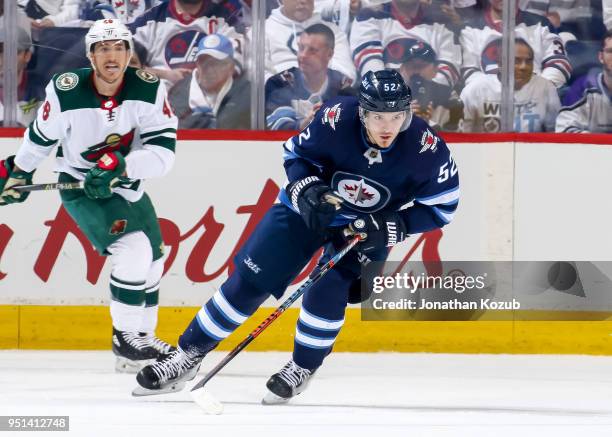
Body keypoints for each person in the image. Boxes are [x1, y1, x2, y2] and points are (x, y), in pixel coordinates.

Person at [134, 69, 460, 403]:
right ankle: (188, 355)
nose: (387, 126)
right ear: (362, 111)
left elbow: (442, 208)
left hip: (365, 230)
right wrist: (307, 188)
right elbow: (297, 156)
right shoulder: (336, 118)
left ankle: (302, 367)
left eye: (395, 116)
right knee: (250, 282)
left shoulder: (426, 149)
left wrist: (393, 226)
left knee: (327, 289)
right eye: (377, 116)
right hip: (306, 211)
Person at [0, 19, 179, 372]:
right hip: (81, 187)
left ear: (129, 54)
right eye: (102, 49)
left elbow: (163, 156)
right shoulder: (66, 90)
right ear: (90, 55)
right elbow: (40, 139)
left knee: (155, 259)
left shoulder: (150, 90)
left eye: (118, 48)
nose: (111, 56)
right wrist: (19, 172)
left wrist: (122, 167)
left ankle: (140, 338)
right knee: (133, 250)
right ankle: (125, 336)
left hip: (126, 185)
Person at [265, 23, 354, 130]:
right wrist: (304, 124)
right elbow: (277, 126)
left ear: (329, 54)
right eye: (301, 48)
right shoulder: (280, 83)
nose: (303, 55)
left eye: (312, 50)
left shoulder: (343, 87)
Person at [461, 38, 561, 132]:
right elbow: (461, 135)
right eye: (516, 61)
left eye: (528, 61)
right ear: (500, 64)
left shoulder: (545, 87)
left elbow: (555, 131)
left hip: (531, 148)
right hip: (485, 148)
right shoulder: (475, 89)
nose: (523, 67)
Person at [168, 33, 250, 129]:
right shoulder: (176, 95)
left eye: (215, 63)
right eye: (203, 61)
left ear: (231, 67)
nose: (208, 69)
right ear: (197, 64)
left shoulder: (246, 94)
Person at [265, 0, 356, 83]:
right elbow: (260, 78)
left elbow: (347, 75)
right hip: (280, 97)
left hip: (328, 97)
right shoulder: (262, 31)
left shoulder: (333, 31)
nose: (303, 1)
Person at [0, 26, 44, 127]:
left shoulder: (44, 89)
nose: (3, 59)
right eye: (0, 52)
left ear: (27, 56)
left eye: (12, 53)